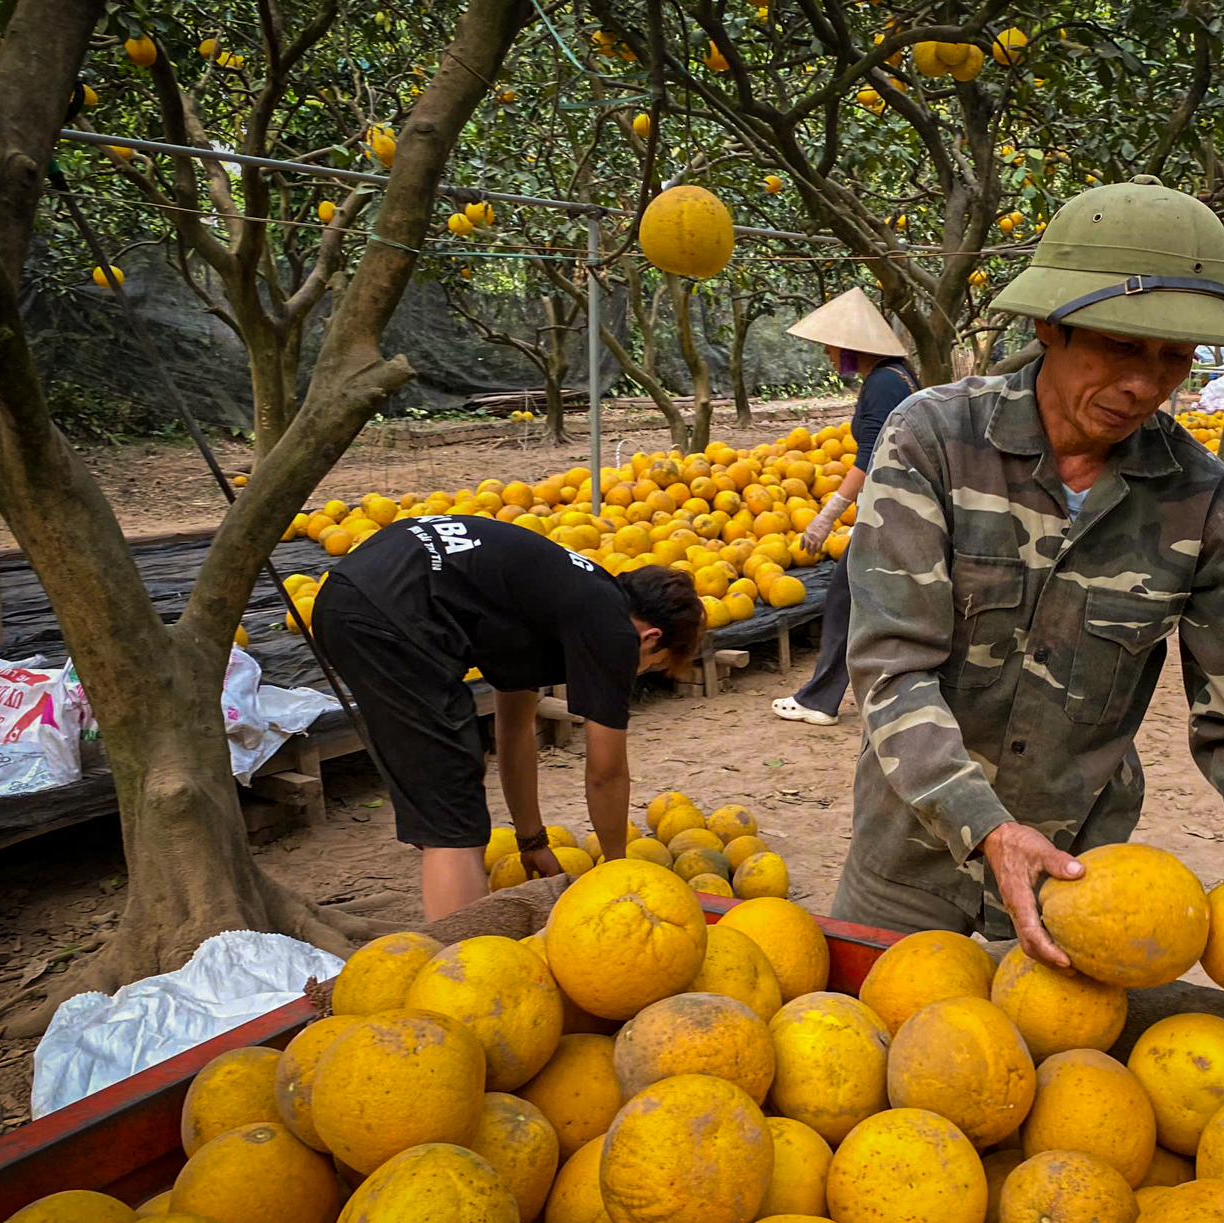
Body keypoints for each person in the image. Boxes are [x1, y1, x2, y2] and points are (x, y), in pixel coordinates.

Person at [835, 176, 1224, 1003]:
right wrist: (986, 827)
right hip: (909, 853)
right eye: (1122, 346)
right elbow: (892, 668)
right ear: (1051, 326)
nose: (1146, 386)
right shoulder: (933, 440)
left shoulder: (1199, 495)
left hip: (1077, 881)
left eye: (1173, 358)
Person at [314, 515, 704, 919]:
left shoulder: (563, 596)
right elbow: (606, 774)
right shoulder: (613, 630)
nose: (636, 671)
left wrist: (531, 840)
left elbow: (515, 733)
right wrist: (619, 870)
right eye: (651, 665)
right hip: (391, 613)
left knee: (450, 776)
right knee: (453, 810)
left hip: (349, 595)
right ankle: (464, 965)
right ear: (651, 638)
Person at [770, 288, 918, 726]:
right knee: (874, 602)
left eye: (831, 346)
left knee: (844, 599)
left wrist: (825, 516)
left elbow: (872, 455)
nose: (829, 354)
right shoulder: (897, 375)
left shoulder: (884, 383)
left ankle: (819, 700)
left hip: (894, 509)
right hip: (906, 505)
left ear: (852, 347)